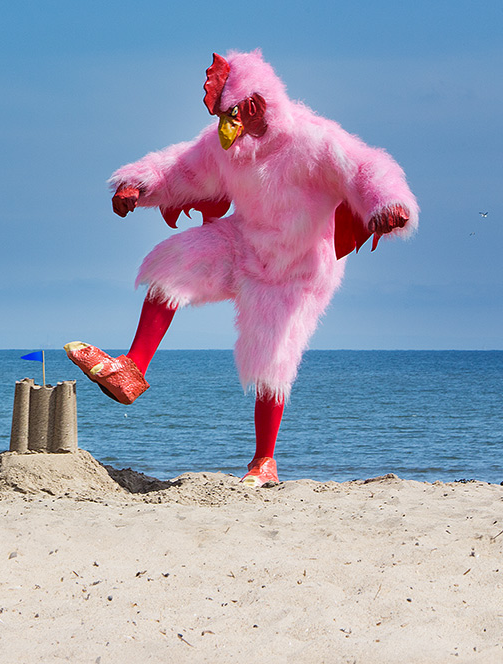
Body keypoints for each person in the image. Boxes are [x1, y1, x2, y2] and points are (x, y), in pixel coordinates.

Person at [65, 48, 418, 486]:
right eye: (220, 117)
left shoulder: (315, 140)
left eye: (230, 115)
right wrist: (139, 184)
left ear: (254, 106)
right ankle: (132, 368)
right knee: (170, 264)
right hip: (243, 240)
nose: (224, 127)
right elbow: (184, 167)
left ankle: (263, 462)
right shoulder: (223, 141)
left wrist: (387, 203)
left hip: (299, 266)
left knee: (271, 362)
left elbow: (366, 167)